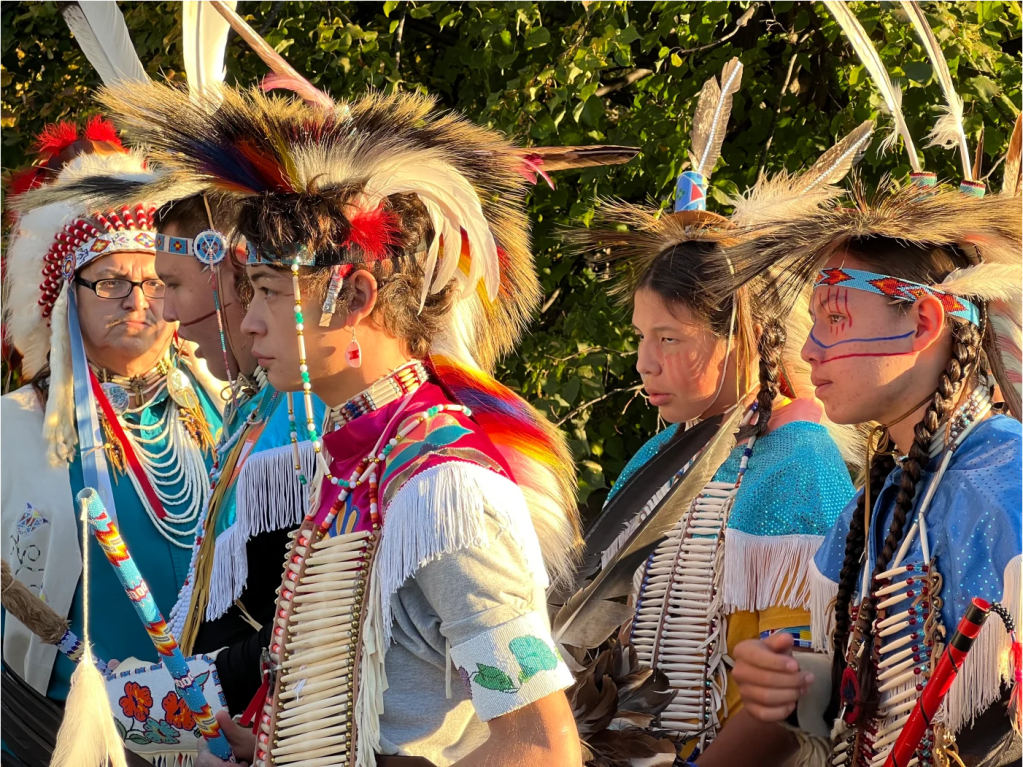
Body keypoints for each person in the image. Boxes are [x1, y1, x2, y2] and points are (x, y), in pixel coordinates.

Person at [67, 75, 628, 765]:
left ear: (354, 293)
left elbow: (540, 744)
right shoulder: (351, 463)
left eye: (272, 291)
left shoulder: (446, 492)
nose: (247, 318)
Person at [568, 59, 867, 765]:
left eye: (668, 338)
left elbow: (791, 688)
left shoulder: (798, 464)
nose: (644, 360)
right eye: (641, 337)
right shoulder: (652, 458)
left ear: (738, 333)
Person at [1, 134, 224, 764]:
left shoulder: (229, 412)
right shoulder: (14, 428)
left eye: (156, 282)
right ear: (65, 297)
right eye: (109, 283)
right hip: (57, 727)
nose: (136, 299)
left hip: (222, 721)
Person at [153, 194, 325, 713]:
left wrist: (206, 687)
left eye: (175, 285)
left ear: (233, 274)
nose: (166, 313)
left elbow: (306, 622)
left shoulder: (305, 422)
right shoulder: (259, 406)